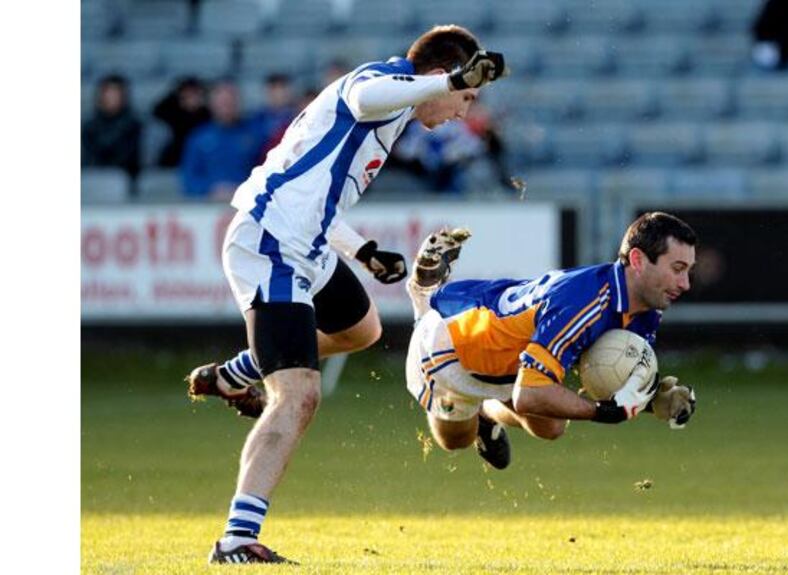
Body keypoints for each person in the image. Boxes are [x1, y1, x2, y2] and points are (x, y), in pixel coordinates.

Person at [184, 25, 507, 564]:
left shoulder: (399, 108)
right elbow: (360, 94)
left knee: (362, 329)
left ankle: (237, 373)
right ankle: (237, 539)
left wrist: (363, 252)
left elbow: (320, 199)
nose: (461, 109)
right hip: (272, 242)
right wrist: (445, 82)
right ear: (436, 76)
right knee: (299, 394)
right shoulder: (382, 82)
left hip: (306, 241)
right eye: (464, 95)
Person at [402, 212, 699, 470]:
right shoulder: (584, 304)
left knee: (552, 426)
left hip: (512, 359)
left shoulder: (646, 309)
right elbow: (528, 397)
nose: (686, 284)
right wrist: (601, 413)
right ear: (638, 260)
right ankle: (425, 297)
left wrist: (651, 399)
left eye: (688, 270)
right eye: (677, 269)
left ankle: (487, 410)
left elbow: (602, 372)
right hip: (453, 348)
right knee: (456, 440)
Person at [180, 79, 264, 199]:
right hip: (208, 209)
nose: (226, 106)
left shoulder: (255, 135)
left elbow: (267, 173)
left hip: (248, 206)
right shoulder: (198, 137)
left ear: (238, 103)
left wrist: (242, 189)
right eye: (222, 102)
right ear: (212, 104)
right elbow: (188, 180)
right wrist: (210, 189)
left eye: (230, 101)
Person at [82, 74, 143, 183]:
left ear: (124, 96)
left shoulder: (135, 125)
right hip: (92, 180)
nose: (112, 97)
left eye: (117, 93)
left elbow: (131, 158)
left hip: (125, 182)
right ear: (100, 95)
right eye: (108, 92)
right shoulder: (87, 127)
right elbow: (86, 157)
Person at [152, 76, 210, 167]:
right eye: (187, 95)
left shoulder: (207, 115)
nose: (192, 98)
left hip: (202, 157)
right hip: (176, 159)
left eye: (195, 94)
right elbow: (156, 110)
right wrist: (174, 96)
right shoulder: (173, 113)